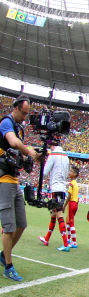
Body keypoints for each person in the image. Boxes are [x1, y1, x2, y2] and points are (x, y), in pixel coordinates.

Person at [0, 97, 39, 280]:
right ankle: (8, 266)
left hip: (14, 181)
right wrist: (28, 151)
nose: (25, 117)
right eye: (23, 112)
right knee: (8, 227)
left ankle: (3, 255)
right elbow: (14, 143)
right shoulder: (6, 123)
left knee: (21, 224)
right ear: (15, 108)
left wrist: (35, 155)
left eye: (27, 113)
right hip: (3, 180)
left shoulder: (18, 128)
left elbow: (21, 147)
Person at [39, 141, 71, 252]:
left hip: (55, 187)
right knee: (53, 214)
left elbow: (45, 172)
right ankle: (46, 239)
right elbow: (67, 173)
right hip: (62, 188)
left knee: (58, 215)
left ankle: (66, 244)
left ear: (52, 146)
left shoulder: (53, 155)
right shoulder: (66, 157)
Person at [65, 165, 79, 248]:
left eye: (70, 171)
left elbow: (69, 195)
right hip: (75, 203)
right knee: (68, 222)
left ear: (74, 174)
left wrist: (64, 205)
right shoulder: (76, 183)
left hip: (72, 203)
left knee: (71, 222)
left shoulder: (71, 183)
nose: (69, 172)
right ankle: (68, 239)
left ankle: (74, 242)